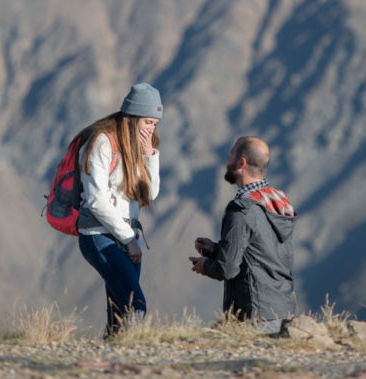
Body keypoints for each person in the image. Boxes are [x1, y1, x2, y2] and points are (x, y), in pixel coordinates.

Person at [76, 82, 163, 337]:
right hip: (99, 235)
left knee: (118, 312)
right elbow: (96, 200)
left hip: (128, 236)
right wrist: (128, 239)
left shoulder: (139, 146)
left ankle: (111, 359)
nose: (152, 129)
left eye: (155, 123)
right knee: (136, 305)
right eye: (148, 122)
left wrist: (150, 155)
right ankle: (132, 360)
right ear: (132, 116)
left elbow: (150, 194)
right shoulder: (102, 143)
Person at [189, 136, 296, 333]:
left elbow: (227, 269)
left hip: (254, 314)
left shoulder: (241, 209)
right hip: (283, 311)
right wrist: (216, 249)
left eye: (231, 154)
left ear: (241, 163)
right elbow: (261, 253)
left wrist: (206, 266)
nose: (227, 159)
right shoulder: (277, 202)